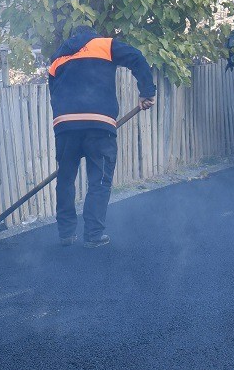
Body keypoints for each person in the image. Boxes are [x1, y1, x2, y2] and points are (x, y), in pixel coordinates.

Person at [47, 25, 156, 249]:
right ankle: (93, 235)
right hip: (99, 124)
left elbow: (54, 94)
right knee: (99, 180)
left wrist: (66, 119)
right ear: (92, 34)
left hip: (65, 126)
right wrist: (147, 91)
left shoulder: (57, 57)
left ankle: (66, 234)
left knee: (65, 179)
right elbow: (137, 58)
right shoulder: (104, 44)